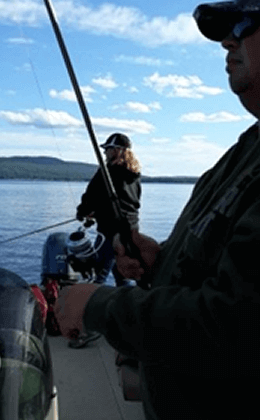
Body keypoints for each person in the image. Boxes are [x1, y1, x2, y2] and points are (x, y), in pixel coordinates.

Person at [54, 1, 260, 418]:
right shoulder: (248, 148)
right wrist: (162, 261)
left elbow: (235, 331)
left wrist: (95, 305)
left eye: (246, 21)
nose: (227, 40)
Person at [76, 132, 141, 287]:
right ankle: (129, 308)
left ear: (117, 150)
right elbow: (129, 202)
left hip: (110, 232)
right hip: (131, 230)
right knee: (121, 274)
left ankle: (91, 308)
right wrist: (97, 212)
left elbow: (91, 195)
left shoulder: (107, 172)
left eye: (107, 148)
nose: (105, 152)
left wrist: (82, 212)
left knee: (98, 275)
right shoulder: (134, 174)